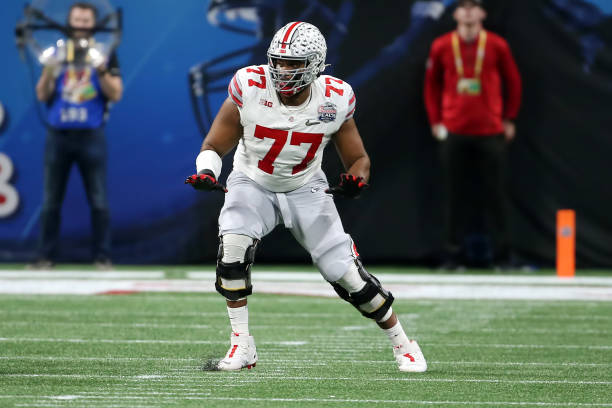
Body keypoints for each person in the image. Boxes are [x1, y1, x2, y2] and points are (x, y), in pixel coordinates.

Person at [186, 22, 427, 373]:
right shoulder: (250, 86)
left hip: (306, 187)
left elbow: (358, 160)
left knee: (346, 275)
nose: (283, 71)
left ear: (315, 64)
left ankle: (404, 344)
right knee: (233, 247)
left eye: (293, 64)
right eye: (278, 62)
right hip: (252, 181)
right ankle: (241, 345)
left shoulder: (335, 98)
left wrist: (355, 181)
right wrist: (208, 172)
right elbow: (214, 145)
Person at [424, 0, 522, 269]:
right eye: (463, 5)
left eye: (474, 5)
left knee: (496, 195)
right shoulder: (442, 45)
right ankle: (454, 256)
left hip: (490, 130)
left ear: (482, 12)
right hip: (454, 129)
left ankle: (503, 256)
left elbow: (514, 82)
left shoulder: (497, 45)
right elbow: (430, 86)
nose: (468, 10)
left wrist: (510, 118)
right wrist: (436, 121)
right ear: (455, 13)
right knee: (455, 196)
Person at [31, 2, 123, 269]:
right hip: (58, 134)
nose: (81, 25)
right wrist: (50, 69)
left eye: (86, 21)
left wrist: (100, 68)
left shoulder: (104, 53)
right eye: (77, 20)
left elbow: (115, 93)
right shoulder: (56, 52)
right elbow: (42, 94)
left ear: (93, 24)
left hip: (91, 135)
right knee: (50, 201)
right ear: (68, 23)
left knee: (99, 199)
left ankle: (103, 256)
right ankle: (44, 257)